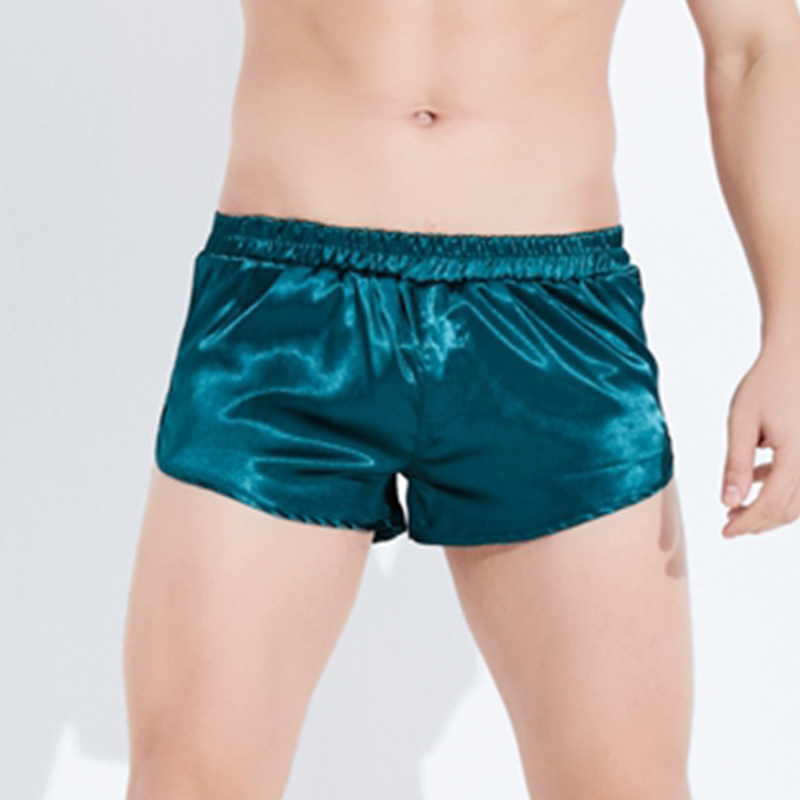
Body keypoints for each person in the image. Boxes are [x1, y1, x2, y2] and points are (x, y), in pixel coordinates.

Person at [122, 0, 800, 798]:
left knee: (624, 785)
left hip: (553, 323)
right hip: (286, 315)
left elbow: (756, 43)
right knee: (190, 776)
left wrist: (791, 332)